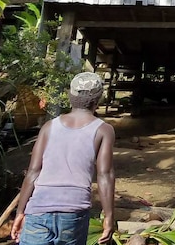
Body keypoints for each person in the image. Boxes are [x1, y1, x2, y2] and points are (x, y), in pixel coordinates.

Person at [11, 72, 116, 244]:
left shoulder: (49, 127)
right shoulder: (103, 130)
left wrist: (20, 212)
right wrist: (109, 216)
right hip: (73, 212)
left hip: (38, 210)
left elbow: (33, 172)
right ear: (97, 99)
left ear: (70, 96)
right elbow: (105, 175)